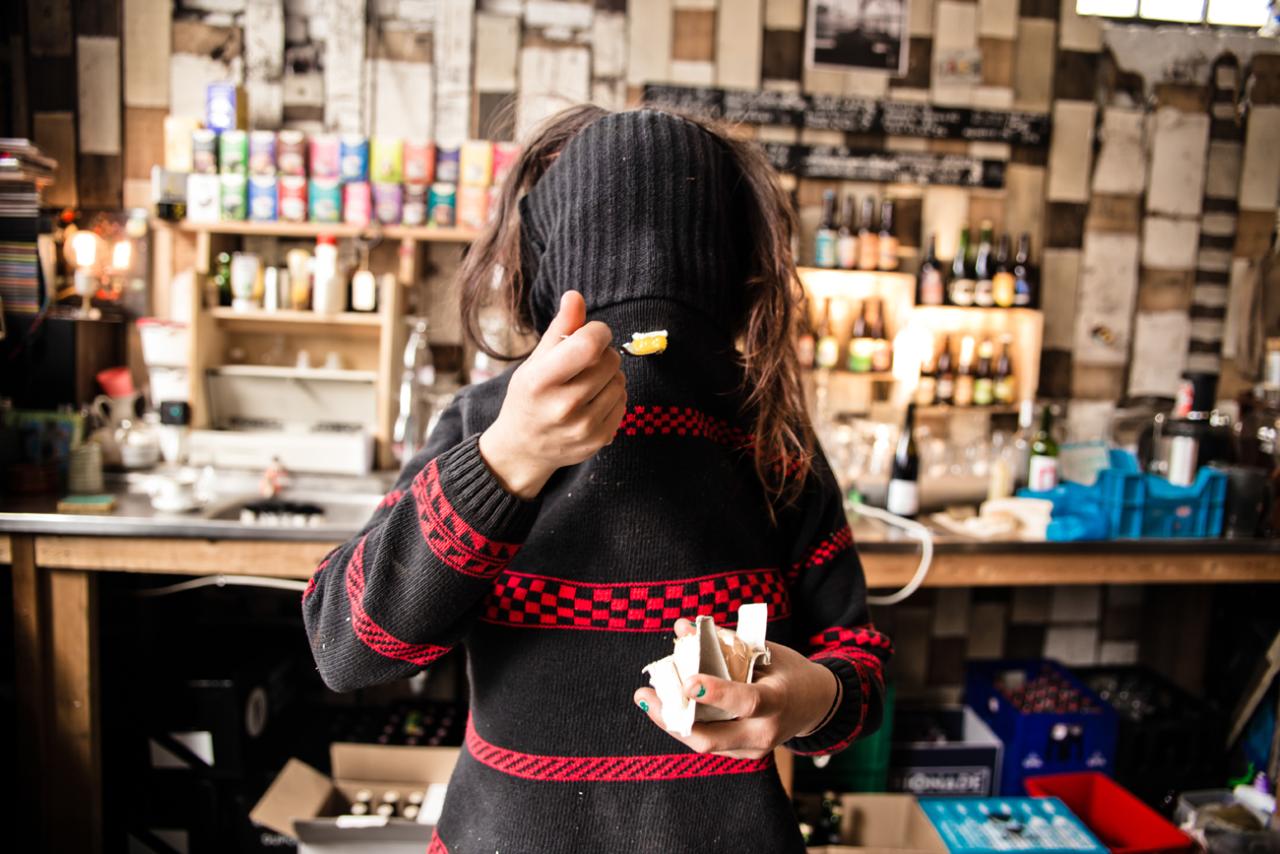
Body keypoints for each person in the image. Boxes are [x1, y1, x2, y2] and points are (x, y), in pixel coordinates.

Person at [302, 106, 892, 853]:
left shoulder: (773, 442)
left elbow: (860, 664)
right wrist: (506, 460)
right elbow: (346, 644)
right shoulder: (488, 425)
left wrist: (810, 698)